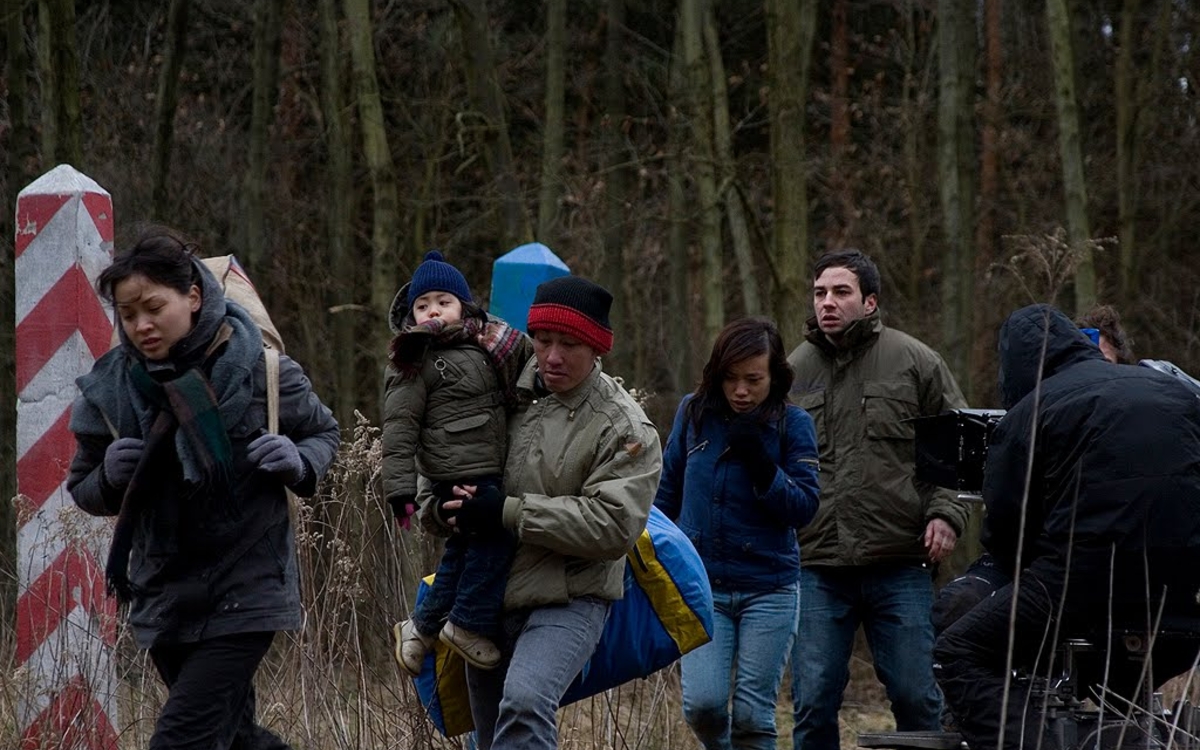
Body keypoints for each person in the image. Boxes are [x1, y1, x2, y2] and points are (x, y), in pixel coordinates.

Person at [67, 229, 340, 750]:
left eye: (153, 307)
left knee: (180, 739)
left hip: (247, 585)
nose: (142, 325)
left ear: (193, 296)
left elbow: (324, 433)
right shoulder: (112, 388)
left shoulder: (259, 369)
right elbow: (83, 487)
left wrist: (298, 462)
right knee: (235, 739)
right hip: (164, 592)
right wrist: (108, 476)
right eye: (128, 315)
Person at [933, 304, 1200, 750]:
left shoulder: (1028, 413)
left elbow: (1005, 535)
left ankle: (1049, 742)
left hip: (1080, 587)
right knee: (1118, 669)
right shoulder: (1174, 392)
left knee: (960, 652)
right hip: (1183, 595)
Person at [433, 275, 662, 750]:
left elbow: (612, 526)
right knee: (491, 733)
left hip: (572, 596)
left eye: (569, 344)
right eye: (543, 340)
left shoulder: (625, 428)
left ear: (598, 348)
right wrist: (441, 507)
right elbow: (441, 457)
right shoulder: (497, 392)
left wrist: (508, 513)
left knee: (524, 701)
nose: (553, 356)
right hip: (486, 596)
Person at [786, 249, 969, 750]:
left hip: (901, 560)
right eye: (820, 292)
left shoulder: (916, 362)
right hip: (817, 562)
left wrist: (946, 515)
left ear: (870, 301)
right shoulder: (790, 372)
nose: (828, 303)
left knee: (916, 696)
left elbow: (959, 451)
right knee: (813, 700)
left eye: (841, 292)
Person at [654, 317, 821, 750]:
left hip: (770, 587)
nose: (741, 391)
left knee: (752, 715)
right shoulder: (693, 414)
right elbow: (666, 494)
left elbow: (804, 507)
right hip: (700, 586)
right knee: (703, 706)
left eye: (753, 380)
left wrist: (761, 463)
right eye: (731, 379)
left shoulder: (793, 425)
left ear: (775, 376)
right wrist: (651, 562)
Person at [382, 250, 532, 673]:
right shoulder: (412, 358)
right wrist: (400, 492)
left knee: (463, 553)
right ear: (412, 315)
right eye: (422, 304)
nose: (433, 310)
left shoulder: (490, 343)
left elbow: (527, 366)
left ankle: (422, 628)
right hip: (454, 471)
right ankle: (466, 624)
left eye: (442, 302)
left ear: (463, 306)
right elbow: (398, 427)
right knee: (497, 537)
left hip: (490, 464)